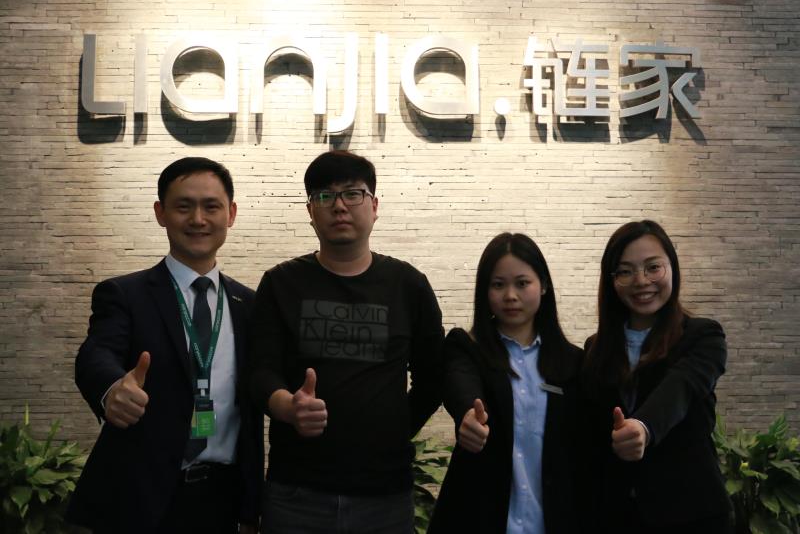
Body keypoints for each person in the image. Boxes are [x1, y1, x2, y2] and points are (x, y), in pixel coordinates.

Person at [248, 150, 444, 534]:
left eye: (353, 193)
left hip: (384, 496)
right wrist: (288, 407)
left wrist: (391, 430)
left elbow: (433, 377)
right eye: (325, 195)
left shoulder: (408, 285)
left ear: (374, 206)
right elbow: (259, 371)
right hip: (297, 493)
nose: (339, 206)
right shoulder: (281, 282)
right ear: (310, 210)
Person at [67, 157, 263, 534]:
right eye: (183, 206)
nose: (198, 219)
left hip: (222, 499)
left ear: (231, 214)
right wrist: (111, 388)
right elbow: (96, 353)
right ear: (161, 213)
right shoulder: (125, 294)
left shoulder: (249, 304)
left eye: (211, 207)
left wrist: (251, 507)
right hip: (139, 498)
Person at [582, 219, 732, 533]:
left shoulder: (703, 336)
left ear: (672, 268)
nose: (641, 281)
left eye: (653, 267)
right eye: (625, 271)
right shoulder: (595, 348)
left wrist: (644, 426)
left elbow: (681, 387)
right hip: (618, 517)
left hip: (693, 515)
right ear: (611, 281)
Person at [428, 233, 583, 534]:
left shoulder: (574, 362)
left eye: (522, 283)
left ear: (544, 285)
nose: (510, 295)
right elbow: (460, 383)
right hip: (479, 520)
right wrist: (467, 415)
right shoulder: (466, 347)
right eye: (498, 285)